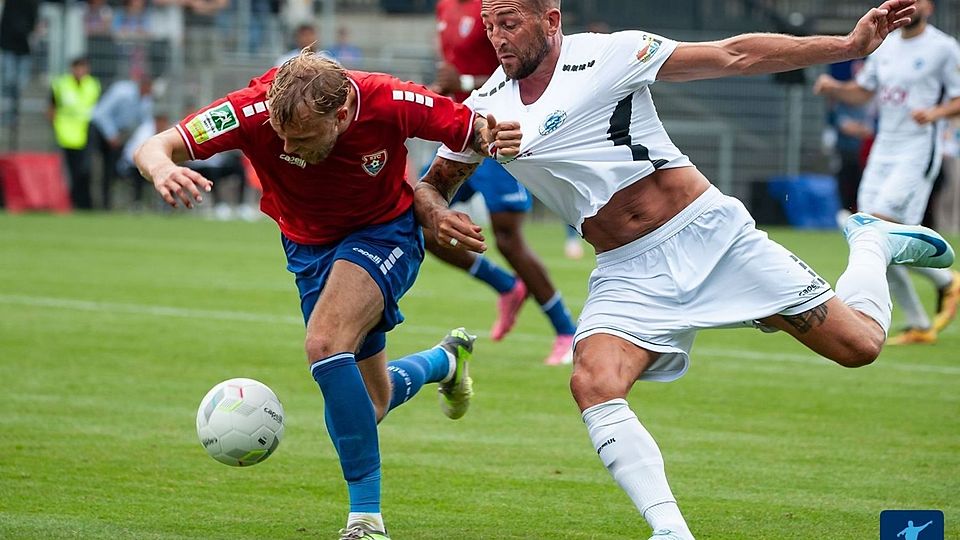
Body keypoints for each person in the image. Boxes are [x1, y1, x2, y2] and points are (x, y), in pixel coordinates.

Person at [415, 1, 952, 538]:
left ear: (551, 20)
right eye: (489, 26)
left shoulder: (610, 54)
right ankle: (670, 530)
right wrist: (439, 216)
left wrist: (846, 47)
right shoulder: (484, 105)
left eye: (509, 22)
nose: (497, 38)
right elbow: (431, 184)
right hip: (626, 270)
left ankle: (872, 244)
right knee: (593, 381)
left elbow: (733, 54)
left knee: (859, 347)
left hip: (709, 236)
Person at [134, 52, 518, 540]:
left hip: (384, 235)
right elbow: (156, 145)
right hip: (308, 251)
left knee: (324, 343)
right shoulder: (251, 110)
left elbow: (472, 130)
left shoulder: (390, 100)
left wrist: (493, 137)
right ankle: (444, 362)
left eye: (301, 137)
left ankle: (365, 519)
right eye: (281, 136)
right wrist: (161, 169)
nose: (288, 147)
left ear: (341, 115)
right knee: (368, 404)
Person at [428, 0, 577, 365]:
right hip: (459, 133)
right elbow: (451, 69)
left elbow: (527, 68)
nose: (497, 32)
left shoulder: (494, 6)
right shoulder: (445, 6)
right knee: (422, 220)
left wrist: (463, 83)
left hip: (497, 133)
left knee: (509, 238)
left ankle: (567, 332)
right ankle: (507, 286)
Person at [815, 0, 960, 345]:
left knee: (877, 230)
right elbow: (864, 92)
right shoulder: (885, 46)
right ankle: (924, 319)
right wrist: (833, 88)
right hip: (883, 148)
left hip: (917, 149)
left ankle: (942, 287)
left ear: (931, 8)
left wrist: (936, 113)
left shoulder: (944, 47)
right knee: (867, 232)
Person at [89, 75, 154, 209]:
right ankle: (88, 203)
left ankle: (106, 205)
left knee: (111, 170)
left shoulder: (146, 101)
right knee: (91, 167)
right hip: (99, 130)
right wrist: (111, 134)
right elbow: (101, 113)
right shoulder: (122, 92)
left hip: (118, 135)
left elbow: (145, 123)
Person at [49, 57, 101, 210]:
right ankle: (72, 203)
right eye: (78, 68)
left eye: (83, 68)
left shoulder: (93, 84)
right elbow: (51, 107)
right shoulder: (61, 84)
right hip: (65, 134)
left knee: (85, 170)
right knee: (70, 172)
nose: (80, 71)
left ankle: (84, 203)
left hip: (85, 133)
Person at [0, 0, 40, 133]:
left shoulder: (33, 4)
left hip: (23, 48)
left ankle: (13, 113)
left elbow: (34, 21)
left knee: (19, 84)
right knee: (9, 81)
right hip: (9, 46)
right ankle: (9, 111)